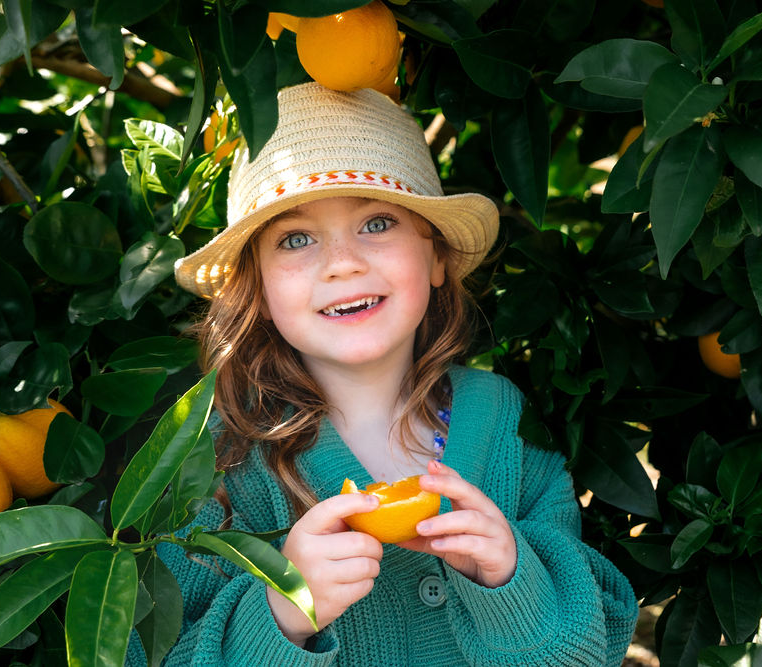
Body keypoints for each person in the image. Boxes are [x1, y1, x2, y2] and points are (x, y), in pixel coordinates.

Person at [126, 82, 638, 666]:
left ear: (438, 256)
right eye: (295, 238)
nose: (344, 262)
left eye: (377, 223)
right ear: (260, 291)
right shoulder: (219, 461)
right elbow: (158, 653)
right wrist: (283, 614)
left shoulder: (501, 419)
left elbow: (593, 646)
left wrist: (512, 582)